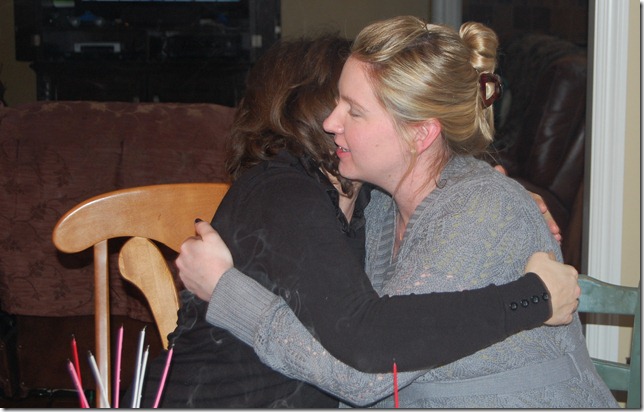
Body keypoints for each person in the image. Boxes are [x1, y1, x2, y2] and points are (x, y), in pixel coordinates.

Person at [177, 17, 617, 408]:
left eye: (355, 111)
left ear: (420, 134)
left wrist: (228, 294)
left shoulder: (478, 211)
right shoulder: (381, 208)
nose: (331, 122)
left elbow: (363, 377)